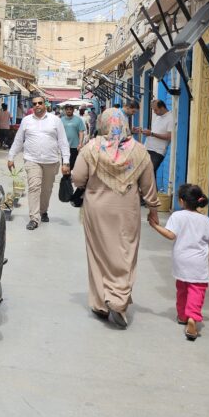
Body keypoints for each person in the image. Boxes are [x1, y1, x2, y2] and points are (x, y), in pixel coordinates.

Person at [70, 108, 159, 329]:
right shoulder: (139, 151)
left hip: (97, 208)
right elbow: (149, 187)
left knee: (98, 253)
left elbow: (78, 178)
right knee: (125, 251)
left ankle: (101, 302)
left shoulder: (92, 148)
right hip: (127, 210)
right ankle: (118, 299)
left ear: (103, 123)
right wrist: (154, 210)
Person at [148, 183, 209, 341]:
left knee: (182, 288)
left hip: (181, 260)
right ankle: (192, 318)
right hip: (198, 262)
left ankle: (182, 315)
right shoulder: (205, 220)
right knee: (197, 289)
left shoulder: (177, 216)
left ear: (181, 201)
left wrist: (155, 226)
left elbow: (170, 235)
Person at [7, 96, 70, 230]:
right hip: (32, 160)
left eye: (40, 103)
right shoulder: (26, 121)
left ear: (45, 105)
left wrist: (66, 162)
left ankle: (43, 210)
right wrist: (11, 156)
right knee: (34, 187)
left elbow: (63, 142)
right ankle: (34, 218)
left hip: (51, 161)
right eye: (34, 103)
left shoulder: (55, 120)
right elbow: (18, 141)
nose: (37, 105)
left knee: (46, 190)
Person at [136, 99, 173, 177]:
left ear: (162, 108)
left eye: (155, 110)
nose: (154, 112)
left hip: (158, 151)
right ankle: (150, 189)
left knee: (150, 173)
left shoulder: (171, 118)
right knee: (146, 174)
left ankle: (152, 189)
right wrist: (145, 131)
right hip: (147, 148)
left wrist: (152, 134)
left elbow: (170, 136)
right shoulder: (158, 117)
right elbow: (156, 131)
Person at [60, 103, 87, 170]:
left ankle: (72, 178)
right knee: (65, 164)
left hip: (75, 146)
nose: (69, 111)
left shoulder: (78, 120)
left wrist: (80, 143)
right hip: (64, 146)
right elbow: (59, 133)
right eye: (67, 109)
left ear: (73, 110)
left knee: (74, 164)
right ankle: (66, 178)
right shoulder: (61, 120)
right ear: (65, 110)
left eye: (70, 109)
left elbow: (81, 132)